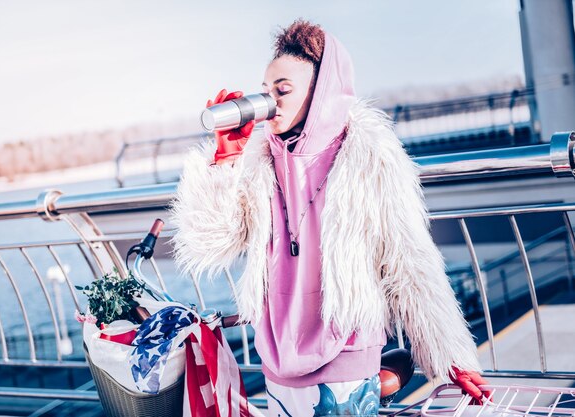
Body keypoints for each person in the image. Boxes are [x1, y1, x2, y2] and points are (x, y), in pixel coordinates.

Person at [171, 19, 487, 416]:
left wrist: (450, 355)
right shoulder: (260, 158)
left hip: (346, 350)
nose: (271, 101)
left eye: (283, 90)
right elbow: (211, 242)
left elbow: (409, 260)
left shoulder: (368, 156)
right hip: (278, 357)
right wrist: (224, 162)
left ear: (321, 93)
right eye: (266, 91)